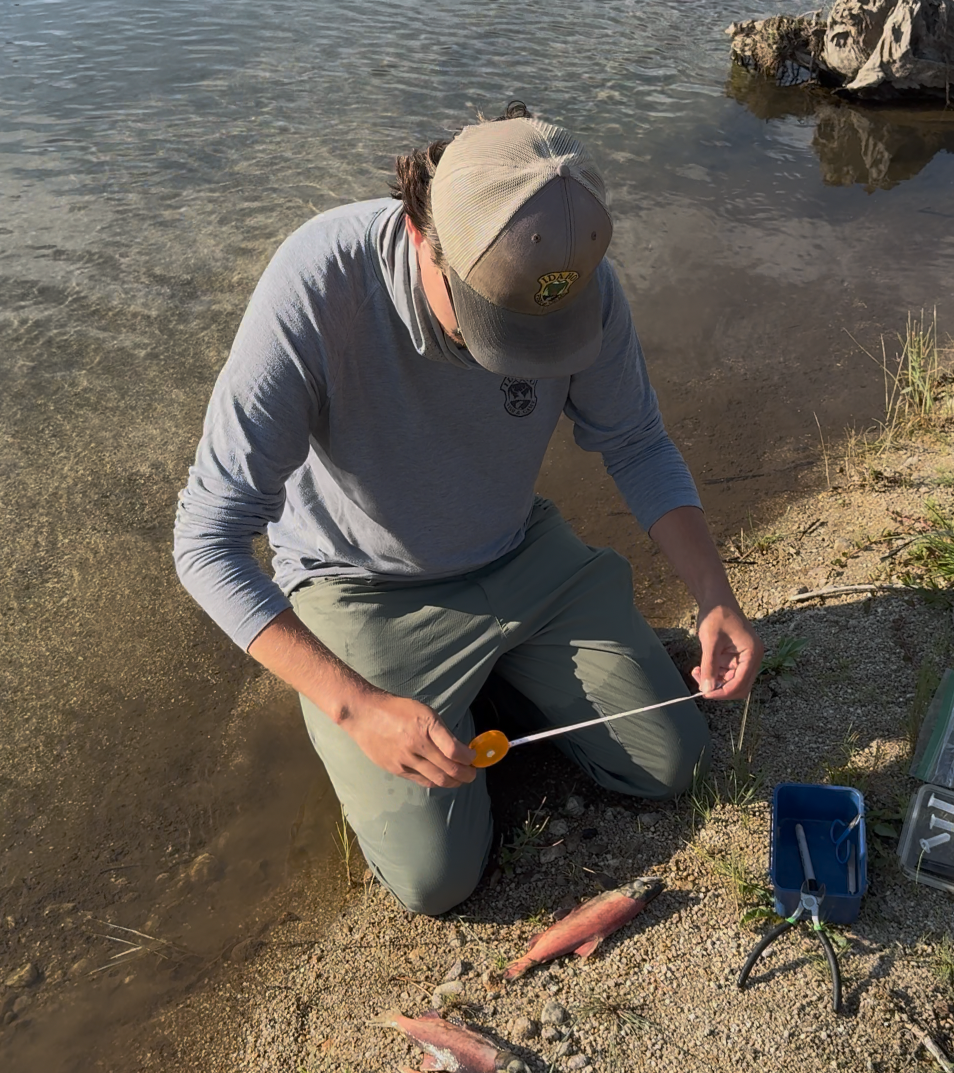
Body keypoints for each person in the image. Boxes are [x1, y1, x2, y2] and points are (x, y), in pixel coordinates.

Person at [173, 103, 763, 915]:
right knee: (437, 880)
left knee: (673, 765)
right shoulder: (318, 282)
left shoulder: (575, 273)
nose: (522, 354)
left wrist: (714, 595)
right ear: (424, 238)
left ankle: (501, 679)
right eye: (497, 326)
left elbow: (634, 442)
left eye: (544, 332)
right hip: (360, 585)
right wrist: (359, 706)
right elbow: (207, 539)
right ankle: (406, 699)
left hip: (517, 552)